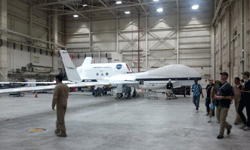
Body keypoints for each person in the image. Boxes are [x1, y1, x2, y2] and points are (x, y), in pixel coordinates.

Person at [214, 72, 234, 139]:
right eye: (221, 75)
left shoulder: (229, 86)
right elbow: (215, 93)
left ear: (226, 77)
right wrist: (216, 96)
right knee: (218, 118)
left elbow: (232, 96)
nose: (222, 76)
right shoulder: (218, 85)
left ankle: (221, 134)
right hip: (218, 104)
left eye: (223, 75)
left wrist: (223, 97)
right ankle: (228, 126)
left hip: (225, 105)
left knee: (222, 119)